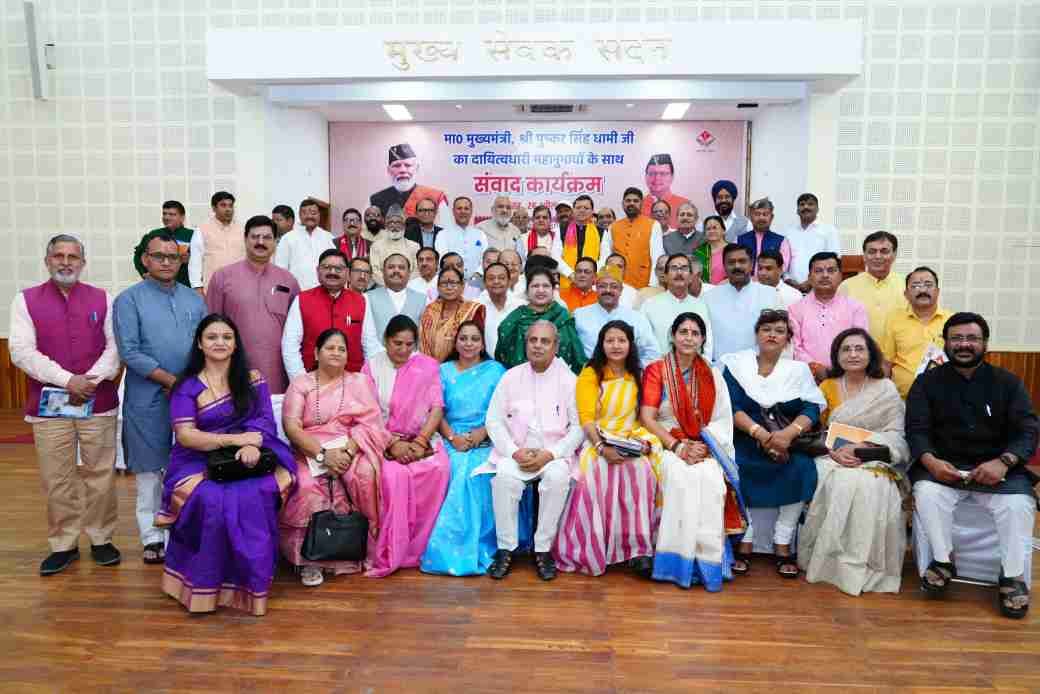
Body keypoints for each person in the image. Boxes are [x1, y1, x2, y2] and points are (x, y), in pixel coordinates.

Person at [156, 314, 296, 615]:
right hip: (196, 460)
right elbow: (186, 435)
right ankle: (205, 584)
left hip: (251, 452)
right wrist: (234, 441)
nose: (220, 342)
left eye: (226, 337)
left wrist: (250, 444)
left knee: (257, 493)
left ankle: (251, 581)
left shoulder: (253, 379)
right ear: (199, 343)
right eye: (212, 337)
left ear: (235, 344)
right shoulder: (187, 386)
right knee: (211, 499)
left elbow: (264, 420)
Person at [907, 312, 1038, 619]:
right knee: (926, 493)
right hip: (943, 468)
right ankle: (943, 560)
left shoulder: (1008, 383)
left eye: (972, 338)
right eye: (956, 338)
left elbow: (1028, 431)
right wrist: (930, 461)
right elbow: (916, 430)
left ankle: (1012, 576)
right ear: (945, 343)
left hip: (998, 470)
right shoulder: (926, 383)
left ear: (985, 343)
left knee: (1018, 505)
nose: (964, 344)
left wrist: (1004, 462)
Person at [8, 234, 122, 575]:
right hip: (49, 406)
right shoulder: (24, 300)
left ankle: (101, 538)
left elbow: (115, 348)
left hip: (97, 401)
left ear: (83, 263)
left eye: (73, 256)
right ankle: (64, 544)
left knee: (100, 475)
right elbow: (21, 351)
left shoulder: (103, 298)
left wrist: (89, 382)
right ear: (47, 261)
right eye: (59, 256)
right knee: (57, 478)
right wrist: (67, 380)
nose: (66, 262)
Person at [797, 328, 911, 595]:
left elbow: (896, 434)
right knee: (837, 480)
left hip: (872, 457)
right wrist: (834, 452)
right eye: (846, 349)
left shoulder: (885, 389)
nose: (853, 354)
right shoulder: (827, 387)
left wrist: (864, 448)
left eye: (860, 348)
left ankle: (864, 564)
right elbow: (814, 431)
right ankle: (829, 562)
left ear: (871, 354)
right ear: (837, 356)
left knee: (871, 485)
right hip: (830, 456)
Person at [114, 234, 206, 564]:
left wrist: (188, 384)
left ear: (181, 261)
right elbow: (129, 351)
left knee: (189, 467)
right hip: (148, 396)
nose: (166, 262)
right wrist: (170, 381)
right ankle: (152, 536)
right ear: (145, 260)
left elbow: (207, 343)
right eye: (159, 256)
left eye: (172, 256)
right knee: (150, 470)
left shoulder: (194, 300)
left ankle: (183, 531)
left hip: (192, 396)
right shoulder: (129, 300)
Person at [640, 313, 748, 590]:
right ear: (673, 336)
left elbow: (722, 419)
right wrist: (677, 446)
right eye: (683, 332)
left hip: (704, 443)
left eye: (695, 333)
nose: (689, 338)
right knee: (679, 478)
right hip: (666, 441)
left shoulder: (712, 374)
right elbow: (647, 417)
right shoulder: (657, 370)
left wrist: (703, 445)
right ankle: (675, 562)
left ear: (702, 340)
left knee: (711, 480)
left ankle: (706, 562)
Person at [279, 328, 389, 586]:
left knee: (364, 475)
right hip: (309, 449)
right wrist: (322, 455)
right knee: (307, 485)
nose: (336, 353)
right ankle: (309, 560)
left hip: (351, 446)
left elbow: (371, 423)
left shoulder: (359, 382)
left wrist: (348, 451)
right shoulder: (301, 384)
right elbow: (292, 427)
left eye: (342, 349)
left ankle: (358, 549)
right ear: (316, 353)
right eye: (330, 348)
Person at [721, 310, 826, 578]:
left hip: (788, 442)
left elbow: (812, 407)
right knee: (736, 466)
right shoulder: (736, 365)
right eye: (766, 329)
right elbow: (730, 405)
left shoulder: (798, 370)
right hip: (746, 437)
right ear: (757, 334)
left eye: (779, 331)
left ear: (787, 339)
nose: (772, 335)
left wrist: (788, 434)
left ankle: (783, 541)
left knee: (802, 468)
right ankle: (745, 539)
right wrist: (760, 434)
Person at [554, 321, 661, 577]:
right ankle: (596, 547)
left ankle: (638, 550)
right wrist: (602, 448)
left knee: (641, 471)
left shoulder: (638, 373)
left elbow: (642, 416)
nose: (616, 346)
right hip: (597, 440)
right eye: (610, 340)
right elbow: (586, 419)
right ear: (601, 344)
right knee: (598, 472)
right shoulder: (591, 373)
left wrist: (639, 444)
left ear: (630, 344)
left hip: (629, 437)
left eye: (621, 340)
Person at [485, 321, 583, 580]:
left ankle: (543, 550)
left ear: (556, 346)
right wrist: (513, 451)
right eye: (533, 340)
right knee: (504, 479)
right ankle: (505, 549)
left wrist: (551, 454)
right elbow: (493, 421)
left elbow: (579, 428)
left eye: (545, 341)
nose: (538, 346)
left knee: (557, 478)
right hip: (517, 452)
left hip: (553, 454)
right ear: (526, 343)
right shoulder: (511, 377)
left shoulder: (569, 380)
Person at [362, 316, 452, 576]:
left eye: (409, 344)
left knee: (439, 470)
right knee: (393, 477)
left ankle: (422, 548)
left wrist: (421, 441)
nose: (403, 350)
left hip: (422, 439)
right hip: (383, 439)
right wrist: (392, 444)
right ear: (385, 340)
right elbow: (368, 413)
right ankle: (394, 548)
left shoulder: (427, 366)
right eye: (397, 343)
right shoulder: (372, 367)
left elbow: (437, 407)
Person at [419, 322, 508, 576]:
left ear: (482, 343)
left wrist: (482, 433)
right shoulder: (442, 371)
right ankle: (451, 549)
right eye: (464, 338)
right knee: (457, 469)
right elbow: (436, 410)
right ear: (455, 343)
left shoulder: (496, 371)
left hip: (488, 437)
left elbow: (504, 411)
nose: (469, 343)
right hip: (449, 436)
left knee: (479, 472)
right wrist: (453, 437)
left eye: (474, 339)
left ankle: (480, 545)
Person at [206, 215, 301, 394]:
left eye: (267, 237)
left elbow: (297, 330)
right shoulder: (222, 277)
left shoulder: (288, 280)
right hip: (233, 368)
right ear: (245, 239)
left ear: (275, 242)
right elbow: (209, 327)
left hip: (278, 370)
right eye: (255, 237)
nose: (260, 242)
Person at [789, 252, 869, 383]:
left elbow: (860, 343)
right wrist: (815, 368)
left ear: (840, 276)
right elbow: (794, 347)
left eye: (831, 271)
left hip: (847, 377)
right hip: (807, 378)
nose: (825, 275)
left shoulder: (855, 308)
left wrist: (840, 369)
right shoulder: (795, 309)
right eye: (818, 271)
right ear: (809, 277)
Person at [880, 266, 953, 398]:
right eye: (916, 286)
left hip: (943, 397)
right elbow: (886, 363)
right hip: (902, 399)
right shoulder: (894, 319)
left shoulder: (951, 321)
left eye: (928, 285)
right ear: (906, 294)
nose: (923, 290)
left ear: (937, 291)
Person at [495, 267, 585, 373]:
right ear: (527, 291)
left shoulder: (563, 317)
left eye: (546, 286)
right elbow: (502, 356)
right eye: (535, 286)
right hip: (520, 378)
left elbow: (577, 356)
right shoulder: (514, 319)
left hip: (559, 378)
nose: (540, 290)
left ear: (553, 290)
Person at [704, 244, 781, 361]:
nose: (737, 266)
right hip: (719, 366)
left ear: (751, 265)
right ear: (724, 266)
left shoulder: (771, 295)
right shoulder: (709, 297)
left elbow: (781, 335)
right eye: (731, 262)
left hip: (758, 366)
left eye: (742, 261)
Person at [574, 266, 661, 368]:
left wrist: (632, 368)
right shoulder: (579, 315)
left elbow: (653, 353)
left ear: (621, 290)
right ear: (596, 288)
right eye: (602, 286)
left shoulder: (637, 318)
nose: (608, 290)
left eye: (614, 286)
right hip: (589, 373)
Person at [838, 231, 906, 343]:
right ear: (864, 256)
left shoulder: (906, 285)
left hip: (898, 352)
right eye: (872, 252)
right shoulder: (846, 286)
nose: (878, 256)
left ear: (894, 255)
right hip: (859, 351)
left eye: (884, 251)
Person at [641, 254, 713, 359]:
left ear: (691, 277)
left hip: (695, 367)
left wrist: (703, 365)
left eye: (684, 268)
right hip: (658, 366)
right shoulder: (649, 305)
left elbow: (707, 344)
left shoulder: (701, 305)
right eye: (674, 268)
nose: (679, 273)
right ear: (665, 276)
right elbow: (643, 344)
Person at [362, 253, 426, 357]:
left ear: (409, 273)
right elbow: (368, 337)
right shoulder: (367, 298)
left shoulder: (423, 299)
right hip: (378, 360)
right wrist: (384, 360)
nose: (396, 270)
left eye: (401, 267)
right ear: (383, 272)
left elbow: (423, 337)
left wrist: (411, 359)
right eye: (391, 267)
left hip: (413, 361)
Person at [600, 187, 665, 289]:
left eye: (635, 201)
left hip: (643, 284)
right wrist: (603, 281)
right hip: (616, 284)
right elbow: (605, 257)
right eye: (628, 201)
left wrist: (653, 284)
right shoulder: (612, 227)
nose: (631, 203)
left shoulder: (653, 225)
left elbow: (657, 256)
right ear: (623, 204)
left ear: (641, 204)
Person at [417, 267, 487, 361]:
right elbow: (423, 342)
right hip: (429, 366)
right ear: (438, 287)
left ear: (462, 286)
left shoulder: (472, 310)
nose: (449, 287)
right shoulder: (429, 310)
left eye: (453, 283)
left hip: (462, 366)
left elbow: (477, 344)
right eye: (444, 283)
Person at [369, 143, 450, 224]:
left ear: (416, 168)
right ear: (389, 170)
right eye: (397, 166)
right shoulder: (375, 200)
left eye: (408, 165)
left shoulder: (436, 197)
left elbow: (446, 229)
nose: (402, 170)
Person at [783, 193, 841, 292]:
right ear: (797, 210)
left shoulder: (829, 230)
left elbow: (834, 260)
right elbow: (783, 260)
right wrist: (788, 279)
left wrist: (810, 282)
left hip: (820, 286)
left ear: (817, 209)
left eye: (810, 204)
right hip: (791, 288)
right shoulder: (788, 232)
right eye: (802, 204)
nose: (806, 207)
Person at [189, 191, 245, 292]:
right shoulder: (202, 229)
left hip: (239, 287)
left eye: (230, 206)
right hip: (212, 288)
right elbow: (195, 261)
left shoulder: (243, 229)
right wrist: (197, 287)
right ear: (214, 208)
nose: (228, 209)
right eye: (223, 205)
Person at [274, 198, 335, 290]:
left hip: (325, 291)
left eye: (313, 213)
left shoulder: (329, 238)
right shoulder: (288, 238)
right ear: (299, 215)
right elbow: (280, 269)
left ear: (319, 215)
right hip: (296, 292)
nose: (309, 216)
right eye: (305, 213)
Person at [132, 200, 194, 287]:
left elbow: (205, 259)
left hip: (185, 285)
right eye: (164, 214)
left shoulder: (192, 235)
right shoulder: (154, 234)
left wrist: (191, 259)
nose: (166, 217)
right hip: (157, 285)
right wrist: (143, 273)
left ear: (182, 217)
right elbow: (138, 255)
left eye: (172, 214)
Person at [436, 197, 488, 286]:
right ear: (453, 211)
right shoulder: (443, 234)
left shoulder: (480, 234)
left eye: (466, 208)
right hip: (451, 283)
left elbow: (486, 259)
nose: (463, 211)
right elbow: (443, 259)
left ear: (471, 211)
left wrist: (477, 275)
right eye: (459, 208)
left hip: (478, 282)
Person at [478, 261, 523, 356]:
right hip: (485, 362)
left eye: (501, 278)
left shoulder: (521, 306)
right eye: (491, 278)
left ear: (509, 281)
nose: (496, 281)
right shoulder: (476, 307)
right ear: (484, 283)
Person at [369, 205, 420, 287]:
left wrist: (403, 285)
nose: (394, 226)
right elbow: (375, 271)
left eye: (398, 222)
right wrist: (390, 285)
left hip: (408, 287)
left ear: (404, 226)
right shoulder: (376, 246)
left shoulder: (414, 246)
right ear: (386, 226)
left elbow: (417, 270)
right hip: (383, 287)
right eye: (391, 222)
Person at [736, 198, 791, 271]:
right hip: (746, 278)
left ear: (771, 217)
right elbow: (736, 264)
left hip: (771, 278)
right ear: (751, 217)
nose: (761, 218)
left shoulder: (781, 241)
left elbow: (783, 267)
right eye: (757, 214)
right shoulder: (739, 240)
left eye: (765, 214)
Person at [559, 195, 601, 290]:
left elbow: (604, 258)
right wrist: (570, 274)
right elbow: (556, 256)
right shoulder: (561, 229)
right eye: (578, 208)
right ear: (573, 210)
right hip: (567, 278)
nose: (582, 210)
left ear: (592, 211)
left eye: (586, 208)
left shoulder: (601, 232)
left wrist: (590, 274)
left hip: (593, 282)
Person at [640, 153, 689, 229]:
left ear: (672, 176)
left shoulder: (685, 205)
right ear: (646, 176)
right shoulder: (639, 205)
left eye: (663, 174)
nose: (657, 178)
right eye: (652, 173)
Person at [693, 215, 728, 285]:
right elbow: (694, 274)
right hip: (704, 290)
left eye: (715, 228)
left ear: (723, 231)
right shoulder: (699, 252)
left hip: (728, 288)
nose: (711, 231)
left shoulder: (732, 250)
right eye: (708, 229)